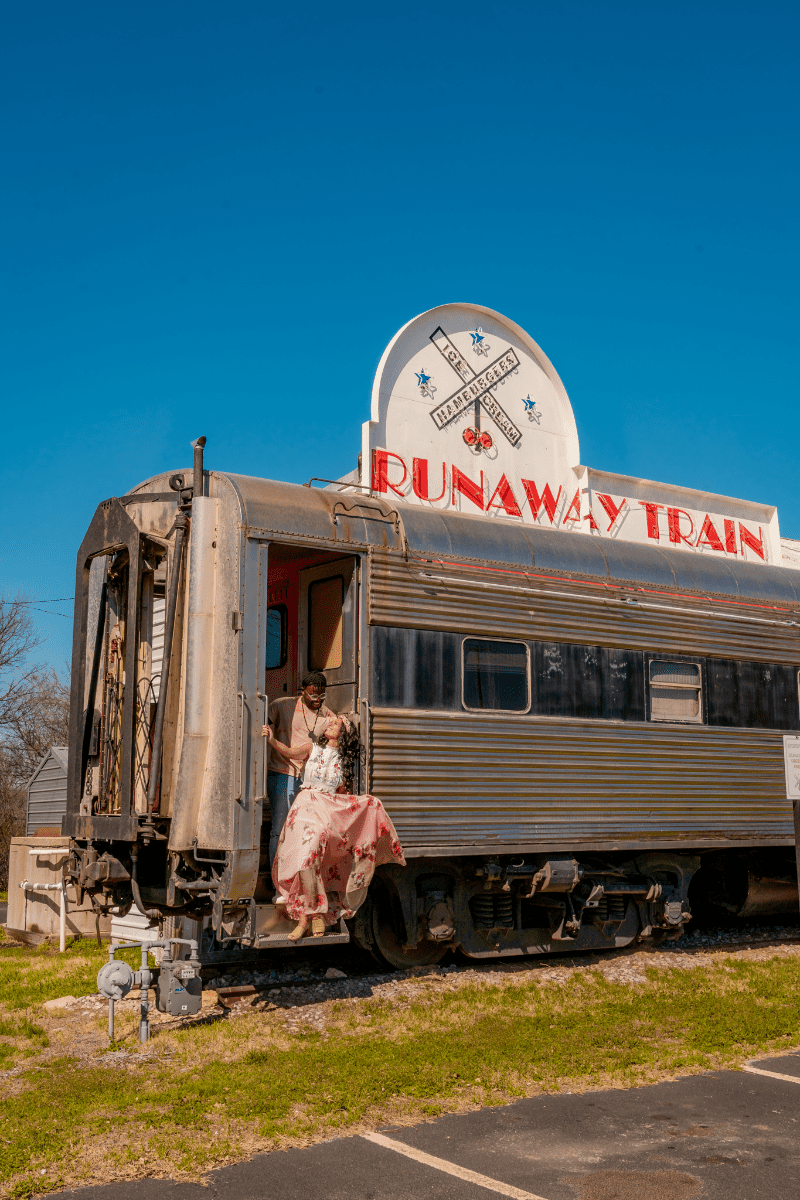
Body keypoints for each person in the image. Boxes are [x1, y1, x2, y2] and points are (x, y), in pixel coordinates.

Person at [263, 714, 405, 941]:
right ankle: (311, 916)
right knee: (304, 858)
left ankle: (307, 917)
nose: (330, 724)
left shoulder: (344, 760)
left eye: (336, 723)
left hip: (326, 810)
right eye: (330, 722)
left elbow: (342, 794)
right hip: (304, 807)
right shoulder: (312, 748)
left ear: (345, 732)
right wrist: (272, 740)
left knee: (309, 859)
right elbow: (289, 753)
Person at [265, 671, 335, 867]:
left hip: (308, 780)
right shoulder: (282, 705)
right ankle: (276, 883)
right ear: (302, 691)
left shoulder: (326, 714)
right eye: (313, 695)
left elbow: (340, 728)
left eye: (322, 696)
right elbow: (261, 723)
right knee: (280, 829)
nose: (317, 700)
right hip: (282, 772)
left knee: (302, 830)